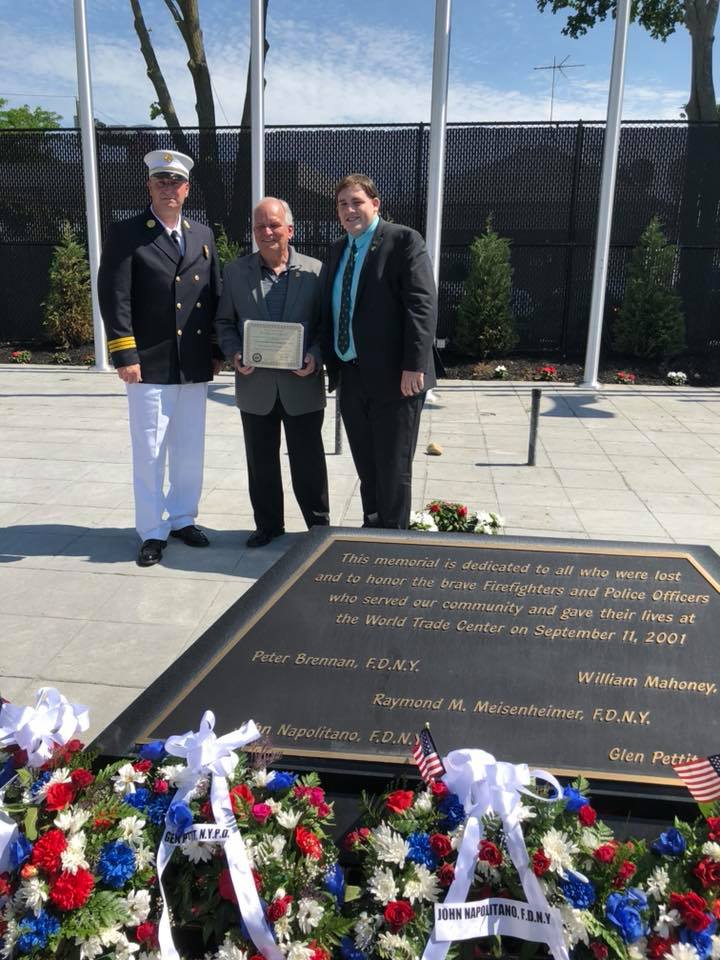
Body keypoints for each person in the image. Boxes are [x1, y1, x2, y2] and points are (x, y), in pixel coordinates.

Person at [98, 149, 222, 567]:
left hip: (192, 363)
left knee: (189, 450)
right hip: (148, 363)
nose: (169, 188)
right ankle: (152, 530)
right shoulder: (127, 232)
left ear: (187, 189)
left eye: (176, 182)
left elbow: (215, 295)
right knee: (150, 451)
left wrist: (217, 351)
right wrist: (123, 353)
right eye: (161, 181)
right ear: (149, 186)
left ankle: (184, 517)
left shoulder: (202, 235)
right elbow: (114, 296)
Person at [322, 173, 437, 529]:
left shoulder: (403, 241)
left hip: (396, 378)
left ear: (375, 204)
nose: (349, 210)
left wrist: (414, 364)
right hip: (352, 374)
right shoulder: (338, 250)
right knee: (366, 462)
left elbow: (422, 304)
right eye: (342, 204)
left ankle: (393, 542)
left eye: (356, 201)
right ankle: (372, 524)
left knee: (393, 466)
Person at [215, 197, 329, 547]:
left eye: (274, 225)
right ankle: (268, 525)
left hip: (302, 385)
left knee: (308, 463)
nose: (267, 232)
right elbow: (223, 322)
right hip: (256, 386)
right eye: (260, 226)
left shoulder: (315, 271)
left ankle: (318, 527)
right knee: (260, 462)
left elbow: (327, 324)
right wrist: (234, 353)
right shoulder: (236, 272)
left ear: (289, 229)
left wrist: (314, 355)